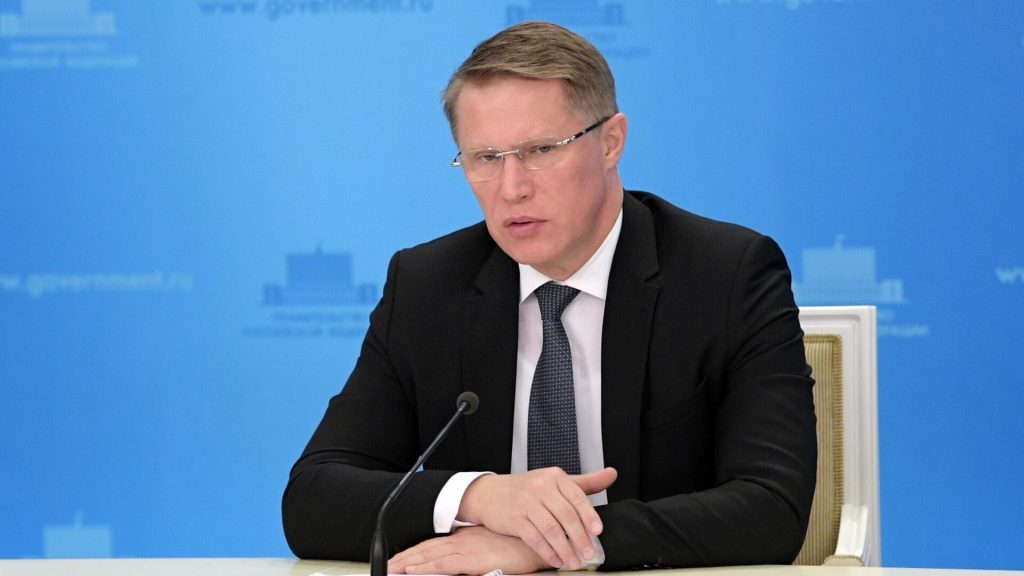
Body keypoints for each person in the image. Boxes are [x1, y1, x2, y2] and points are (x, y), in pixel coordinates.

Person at [282, 21, 817, 573]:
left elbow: (771, 508)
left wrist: (550, 546)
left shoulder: (726, 276)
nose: (512, 188)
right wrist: (479, 496)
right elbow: (312, 501)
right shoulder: (427, 286)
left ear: (610, 142)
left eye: (540, 150)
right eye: (485, 158)